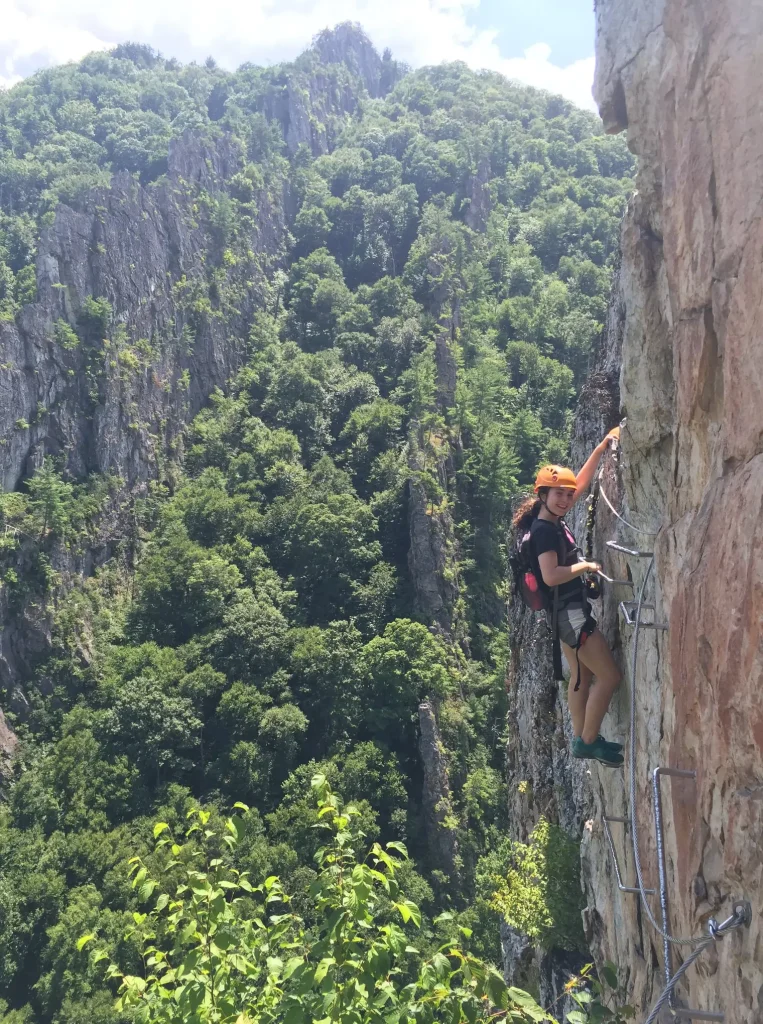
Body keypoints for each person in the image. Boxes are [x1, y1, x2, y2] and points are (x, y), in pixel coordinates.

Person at [512, 428, 623, 767]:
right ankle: (588, 742)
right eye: (557, 493)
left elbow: (581, 483)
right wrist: (585, 565)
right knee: (609, 677)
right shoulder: (546, 531)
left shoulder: (548, 519)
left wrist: (602, 446)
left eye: (566, 494)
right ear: (543, 495)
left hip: (560, 616)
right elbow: (551, 575)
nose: (565, 498)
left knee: (580, 676)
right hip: (572, 616)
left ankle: (580, 735)